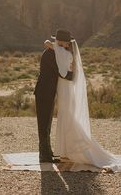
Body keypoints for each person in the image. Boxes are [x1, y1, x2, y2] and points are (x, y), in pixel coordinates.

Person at [44, 31, 121, 172]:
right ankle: (67, 152)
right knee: (66, 117)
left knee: (68, 117)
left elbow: (47, 44)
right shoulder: (63, 52)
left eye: (60, 41)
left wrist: (56, 46)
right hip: (65, 89)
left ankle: (72, 150)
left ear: (62, 42)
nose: (58, 43)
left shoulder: (64, 53)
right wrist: (59, 46)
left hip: (66, 90)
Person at [34, 29, 73, 163]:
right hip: (44, 91)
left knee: (47, 122)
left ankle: (47, 153)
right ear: (61, 42)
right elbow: (61, 72)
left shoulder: (55, 52)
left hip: (47, 92)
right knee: (44, 123)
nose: (68, 45)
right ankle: (43, 155)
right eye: (67, 43)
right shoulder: (52, 54)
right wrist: (73, 75)